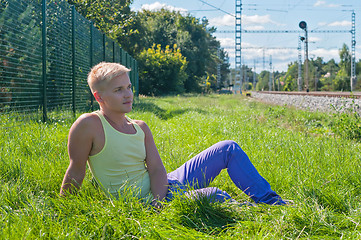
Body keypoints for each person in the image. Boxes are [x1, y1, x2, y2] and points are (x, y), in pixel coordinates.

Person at [60, 62, 287, 206]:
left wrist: (160, 199)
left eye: (129, 87)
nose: (127, 94)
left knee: (228, 148)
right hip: (143, 201)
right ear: (99, 97)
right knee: (217, 195)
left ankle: (271, 202)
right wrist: (64, 208)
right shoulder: (89, 124)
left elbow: (157, 169)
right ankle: (246, 208)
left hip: (165, 188)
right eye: (118, 90)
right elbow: (76, 170)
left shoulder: (140, 126)